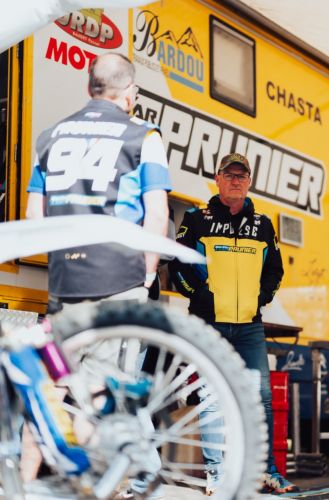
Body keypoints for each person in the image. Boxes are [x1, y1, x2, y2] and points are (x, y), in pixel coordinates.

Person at [24, 53, 172, 482]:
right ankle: (98, 487)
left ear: (89, 88)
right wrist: (146, 276)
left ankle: (22, 484)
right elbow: (157, 213)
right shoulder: (144, 136)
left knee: (52, 389)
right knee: (102, 394)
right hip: (119, 279)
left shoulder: (50, 136)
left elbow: (35, 216)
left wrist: (62, 267)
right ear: (131, 94)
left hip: (66, 284)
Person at [169, 152, 298, 495]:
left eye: (242, 176)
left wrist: (262, 297)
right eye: (230, 175)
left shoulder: (263, 224)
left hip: (248, 327)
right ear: (218, 179)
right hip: (209, 325)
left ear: (249, 182)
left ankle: (267, 472)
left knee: (261, 398)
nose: (236, 181)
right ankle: (217, 474)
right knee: (212, 397)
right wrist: (199, 296)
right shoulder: (197, 219)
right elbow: (177, 266)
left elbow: (275, 270)